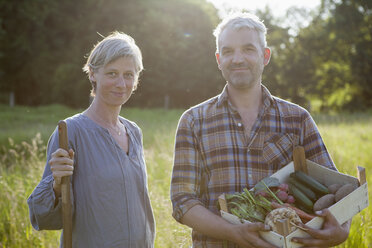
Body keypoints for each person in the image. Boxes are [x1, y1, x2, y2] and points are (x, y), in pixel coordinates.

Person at [170, 13, 350, 248]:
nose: (237, 59)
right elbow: (182, 201)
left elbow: (335, 190)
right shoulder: (194, 121)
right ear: (218, 59)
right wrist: (233, 232)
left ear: (265, 56)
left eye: (248, 49)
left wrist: (342, 230)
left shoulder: (297, 119)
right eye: (228, 51)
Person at [27, 31, 155, 247]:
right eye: (112, 73)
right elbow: (42, 216)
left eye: (128, 74)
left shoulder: (134, 132)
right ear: (93, 74)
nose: (121, 83)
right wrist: (57, 185)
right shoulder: (70, 131)